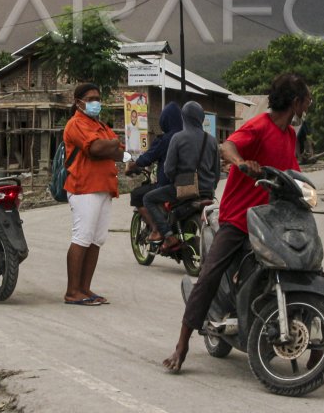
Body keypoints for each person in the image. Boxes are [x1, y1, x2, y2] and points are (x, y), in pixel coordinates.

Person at [163, 73, 311, 373]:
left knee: (307, 265)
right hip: (239, 218)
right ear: (295, 102)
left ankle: (321, 347)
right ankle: (182, 345)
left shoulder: (290, 135)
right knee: (210, 274)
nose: (309, 104)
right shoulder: (259, 126)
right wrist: (242, 163)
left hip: (272, 220)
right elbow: (227, 147)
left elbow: (293, 174)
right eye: (307, 99)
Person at [62, 82, 125, 307]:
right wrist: (112, 144)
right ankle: (72, 291)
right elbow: (96, 149)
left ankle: (84, 288)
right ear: (78, 102)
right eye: (90, 99)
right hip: (83, 187)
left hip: (103, 188)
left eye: (97, 98)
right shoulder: (75, 124)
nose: (95, 102)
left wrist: (112, 145)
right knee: (82, 237)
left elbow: (118, 152)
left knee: (96, 240)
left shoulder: (98, 125)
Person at [143, 101, 218, 252]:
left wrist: (175, 181)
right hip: (207, 191)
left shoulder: (178, 138)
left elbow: (169, 169)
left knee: (148, 198)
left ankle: (168, 236)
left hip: (185, 189)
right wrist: (210, 186)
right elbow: (216, 172)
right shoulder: (212, 140)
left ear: (184, 118)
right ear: (201, 118)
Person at [124, 102, 182, 238]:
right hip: (192, 185)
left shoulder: (166, 139)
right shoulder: (189, 136)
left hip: (169, 186)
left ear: (164, 121)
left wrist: (132, 166)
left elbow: (146, 159)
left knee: (139, 195)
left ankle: (157, 229)